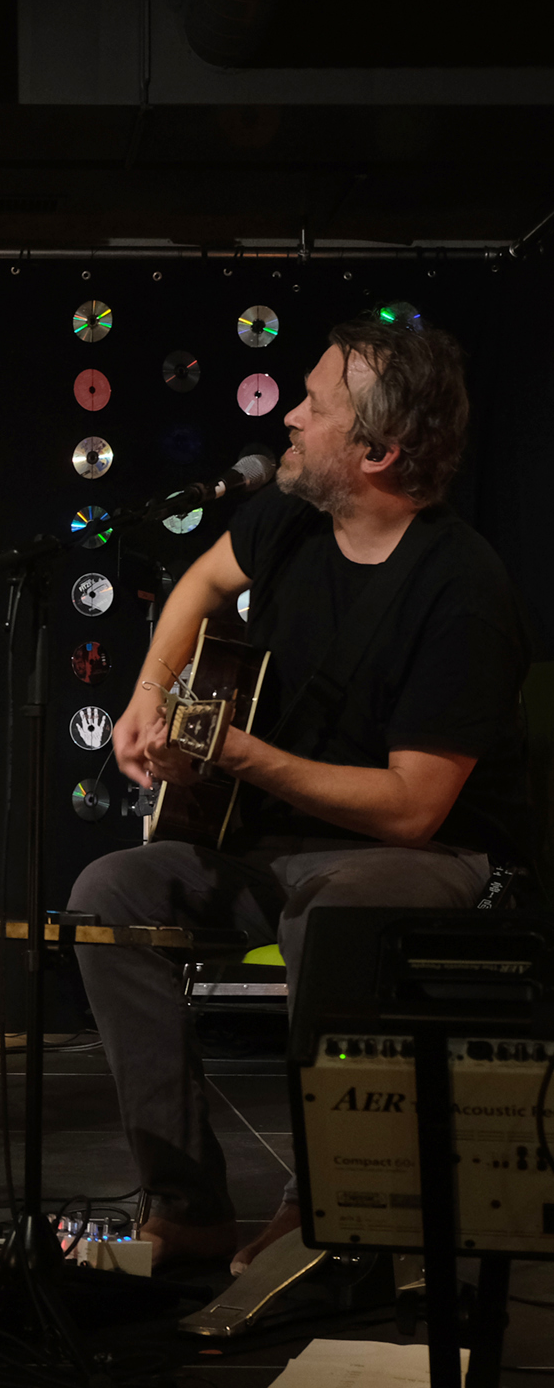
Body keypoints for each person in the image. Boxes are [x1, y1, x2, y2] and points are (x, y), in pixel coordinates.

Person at [70, 313, 531, 1274]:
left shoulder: (463, 590)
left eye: (315, 406)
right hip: (273, 846)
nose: (287, 415)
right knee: (107, 894)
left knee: (334, 908)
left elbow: (412, 808)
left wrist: (239, 755)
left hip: (420, 857)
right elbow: (201, 584)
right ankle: (187, 1206)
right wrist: (149, 693)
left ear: (378, 452)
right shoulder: (288, 519)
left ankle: (324, 1204)